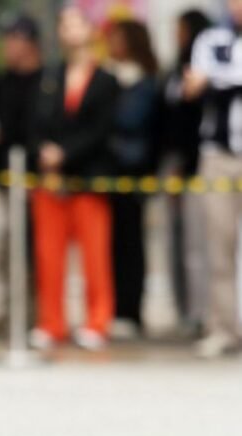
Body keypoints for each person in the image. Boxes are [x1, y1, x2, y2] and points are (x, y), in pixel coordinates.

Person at [29, 5, 118, 352]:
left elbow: (101, 129)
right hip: (50, 179)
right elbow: (36, 122)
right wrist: (46, 153)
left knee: (95, 255)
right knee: (49, 255)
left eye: (76, 23)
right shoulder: (49, 76)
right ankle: (52, 323)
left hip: (88, 178)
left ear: (90, 30)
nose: (69, 30)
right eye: (64, 25)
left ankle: (98, 321)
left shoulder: (106, 79)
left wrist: (66, 154)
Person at [0, 13, 43, 328]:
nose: (6, 46)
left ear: (28, 42)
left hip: (32, 177)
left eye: (11, 39)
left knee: (26, 247)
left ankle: (27, 310)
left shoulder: (47, 81)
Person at [184, 0, 242, 358]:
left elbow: (209, 82)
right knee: (219, 245)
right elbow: (193, 86)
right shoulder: (211, 39)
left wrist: (216, 81)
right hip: (219, 155)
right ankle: (222, 327)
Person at [105, 18, 161, 338]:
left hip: (132, 170)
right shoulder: (108, 75)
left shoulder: (143, 81)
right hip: (108, 171)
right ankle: (112, 309)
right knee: (110, 244)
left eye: (117, 38)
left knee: (130, 243)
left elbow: (129, 120)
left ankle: (130, 310)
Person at [160, 8, 211, 335]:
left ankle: (200, 312)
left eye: (180, 30)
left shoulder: (207, 69)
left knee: (197, 245)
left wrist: (186, 164)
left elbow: (191, 124)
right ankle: (183, 309)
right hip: (174, 162)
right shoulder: (175, 68)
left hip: (194, 166)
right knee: (175, 242)